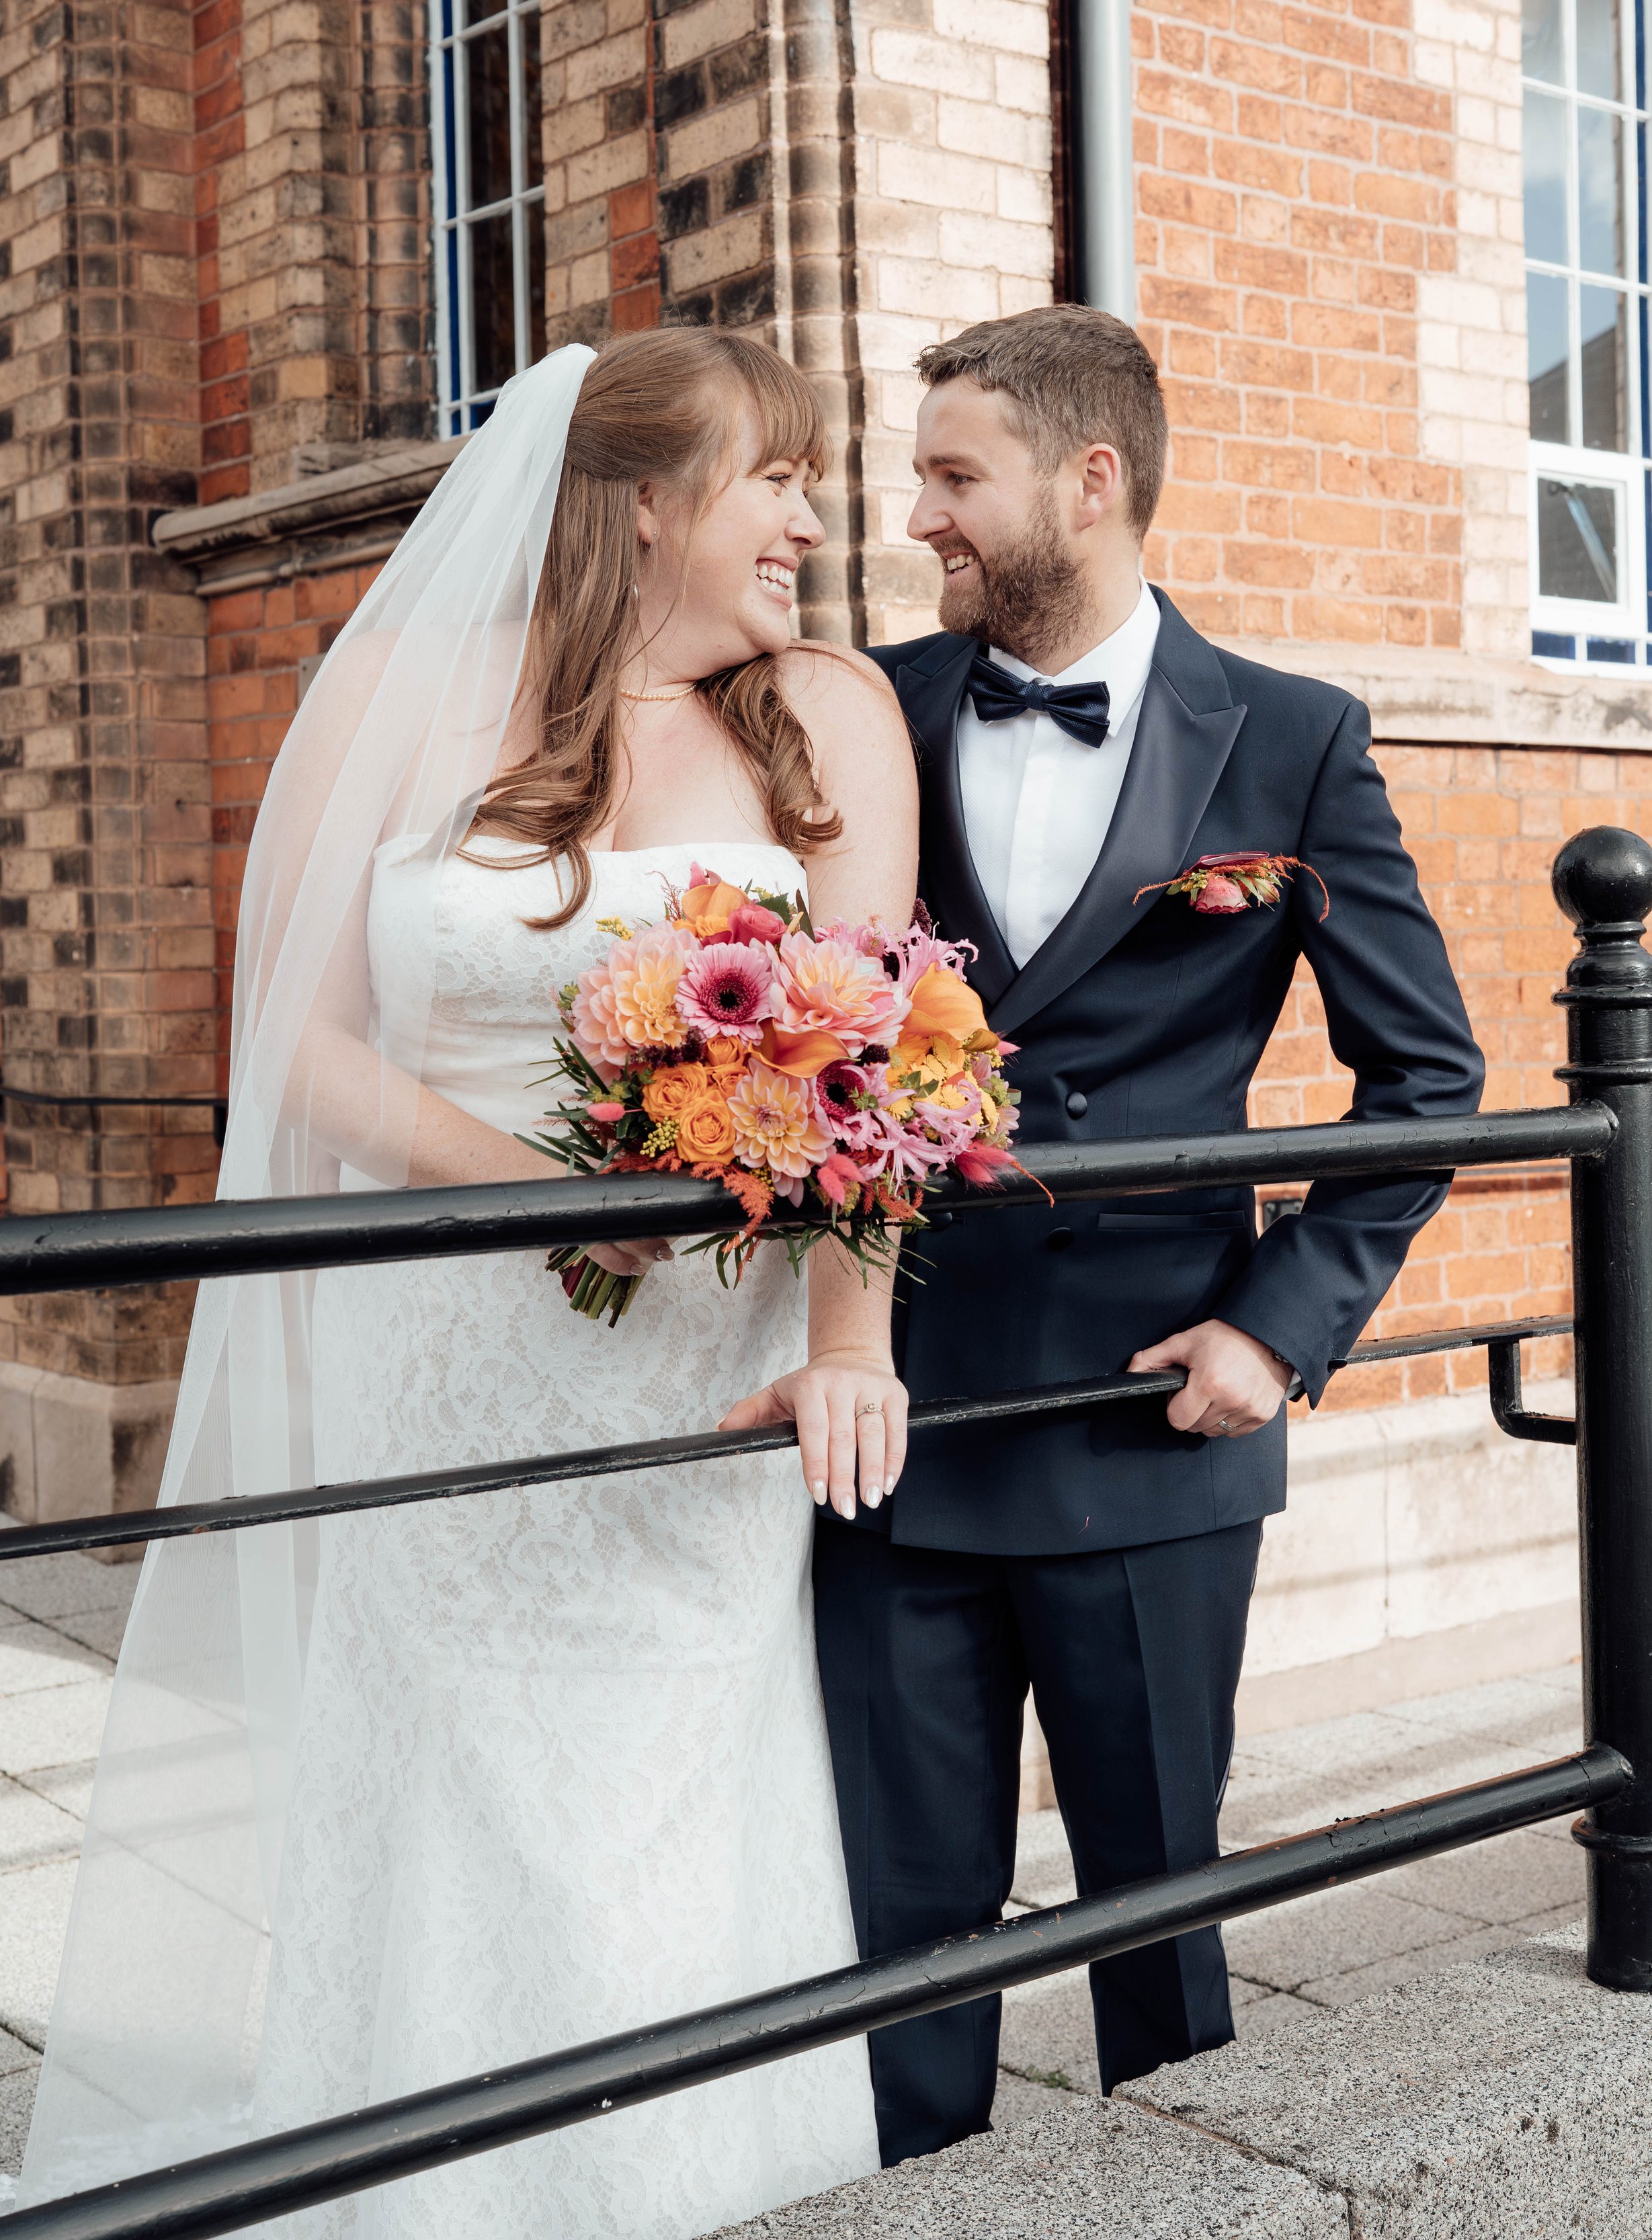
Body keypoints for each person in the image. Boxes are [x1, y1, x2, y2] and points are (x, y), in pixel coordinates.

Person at [17, 333, 918, 2238]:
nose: (812, 520)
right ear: (645, 499)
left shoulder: (823, 714)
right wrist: (537, 1196)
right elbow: (304, 1040)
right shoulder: (407, 700)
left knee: (659, 1809)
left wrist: (851, 1342)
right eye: (776, 477)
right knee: (453, 1791)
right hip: (449, 1349)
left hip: (701, 1383)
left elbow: (878, 1067)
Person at [810, 304, 1486, 2167]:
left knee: (1156, 1922)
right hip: (897, 1417)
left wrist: (1278, 1331)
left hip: (1150, 1420)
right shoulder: (860, 708)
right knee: (893, 1931)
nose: (919, 516)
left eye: (955, 476)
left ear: (1087, 480)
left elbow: (1425, 1077)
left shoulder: (1286, 739)